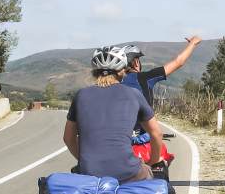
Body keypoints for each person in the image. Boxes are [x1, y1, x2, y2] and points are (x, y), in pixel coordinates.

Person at [63, 44, 165, 181]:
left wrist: (85, 163)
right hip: (129, 172)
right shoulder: (133, 94)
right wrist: (152, 163)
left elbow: (68, 138)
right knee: (159, 174)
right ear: (122, 71)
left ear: (95, 72)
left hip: (90, 173)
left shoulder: (81, 95)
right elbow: (156, 134)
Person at [120, 36, 202, 108]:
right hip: (143, 124)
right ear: (136, 62)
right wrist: (193, 43)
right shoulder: (145, 77)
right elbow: (178, 62)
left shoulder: (114, 80)